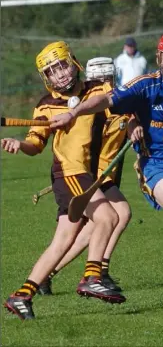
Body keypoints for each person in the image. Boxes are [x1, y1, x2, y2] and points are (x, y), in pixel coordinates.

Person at [50, 30, 163, 311]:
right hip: (156, 164)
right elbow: (106, 100)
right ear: (159, 57)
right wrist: (75, 112)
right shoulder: (146, 85)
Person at [2, 42, 126, 320]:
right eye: (51, 71)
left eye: (62, 65)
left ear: (74, 62)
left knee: (62, 241)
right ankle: (92, 276)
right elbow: (36, 143)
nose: (59, 74)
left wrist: (75, 111)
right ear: (45, 78)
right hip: (69, 173)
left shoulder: (95, 90)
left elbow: (111, 100)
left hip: (85, 173)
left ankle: (21, 296)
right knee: (107, 216)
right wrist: (19, 144)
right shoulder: (44, 107)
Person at [37, 56, 136, 296]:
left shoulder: (117, 101)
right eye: (99, 79)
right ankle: (97, 271)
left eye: (108, 78)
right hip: (95, 173)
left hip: (106, 171)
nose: (105, 82)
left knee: (92, 227)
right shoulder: (91, 108)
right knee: (117, 215)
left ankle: (49, 275)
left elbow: (132, 117)